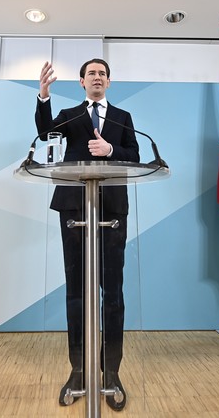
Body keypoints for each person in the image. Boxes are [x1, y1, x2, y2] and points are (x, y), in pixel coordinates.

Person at [35, 59, 139, 411]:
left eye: (102, 74)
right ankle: (78, 370)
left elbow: (135, 156)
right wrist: (44, 96)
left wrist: (111, 151)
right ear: (81, 82)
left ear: (109, 82)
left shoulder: (122, 118)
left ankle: (111, 373)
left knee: (112, 293)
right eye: (91, 74)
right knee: (78, 291)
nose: (97, 78)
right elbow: (44, 133)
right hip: (74, 208)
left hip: (111, 209)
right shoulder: (71, 114)